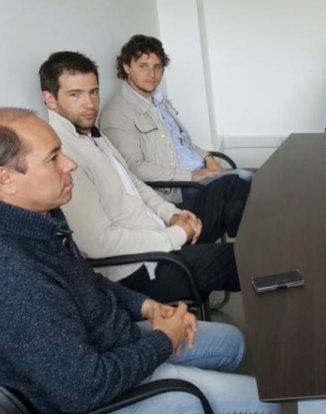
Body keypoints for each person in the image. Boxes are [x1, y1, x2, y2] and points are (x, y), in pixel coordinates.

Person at [0, 107, 278, 413]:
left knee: (233, 343)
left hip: (118, 342)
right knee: (264, 404)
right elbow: (85, 388)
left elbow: (88, 280)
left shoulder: (43, 219)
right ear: (6, 179)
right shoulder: (14, 274)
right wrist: (163, 339)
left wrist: (147, 306)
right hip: (106, 391)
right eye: (53, 158)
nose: (70, 164)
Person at [39, 51, 240, 303]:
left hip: (159, 236)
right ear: (50, 99)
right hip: (137, 269)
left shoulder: (91, 135)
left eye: (93, 92)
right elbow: (97, 244)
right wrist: (176, 235)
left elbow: (133, 182)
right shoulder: (62, 156)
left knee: (231, 186)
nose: (89, 103)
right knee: (241, 259)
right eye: (75, 94)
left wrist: (172, 215)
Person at [100, 34, 252, 217]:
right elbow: (133, 168)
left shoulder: (159, 101)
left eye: (157, 67)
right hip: (176, 190)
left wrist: (208, 157)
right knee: (244, 180)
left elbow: (181, 143)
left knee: (248, 183)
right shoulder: (117, 113)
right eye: (143, 66)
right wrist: (191, 176)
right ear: (126, 67)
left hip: (200, 172)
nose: (152, 74)